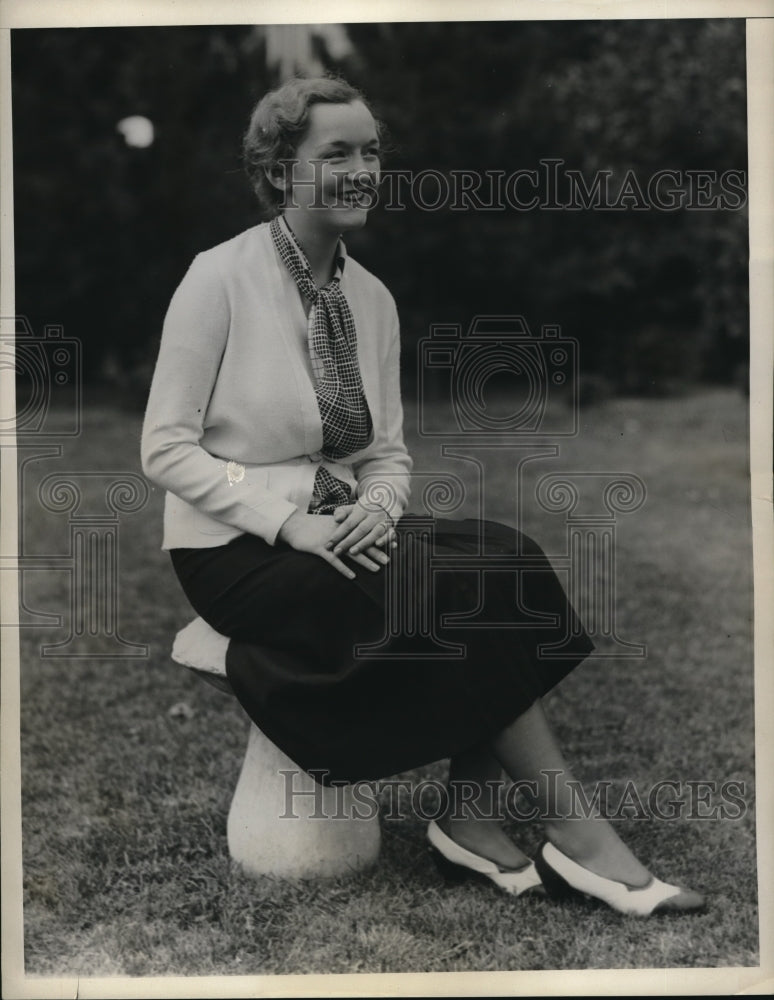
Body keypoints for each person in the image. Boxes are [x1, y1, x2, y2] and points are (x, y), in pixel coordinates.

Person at [141, 75, 704, 916]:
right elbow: (164, 448)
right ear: (278, 170)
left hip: (341, 527)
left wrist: (377, 509)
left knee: (506, 558)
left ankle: (470, 817)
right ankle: (582, 838)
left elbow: (386, 452)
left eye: (371, 151)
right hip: (235, 550)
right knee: (442, 586)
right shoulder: (217, 279)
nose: (364, 168)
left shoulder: (372, 298)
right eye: (337, 153)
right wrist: (289, 523)